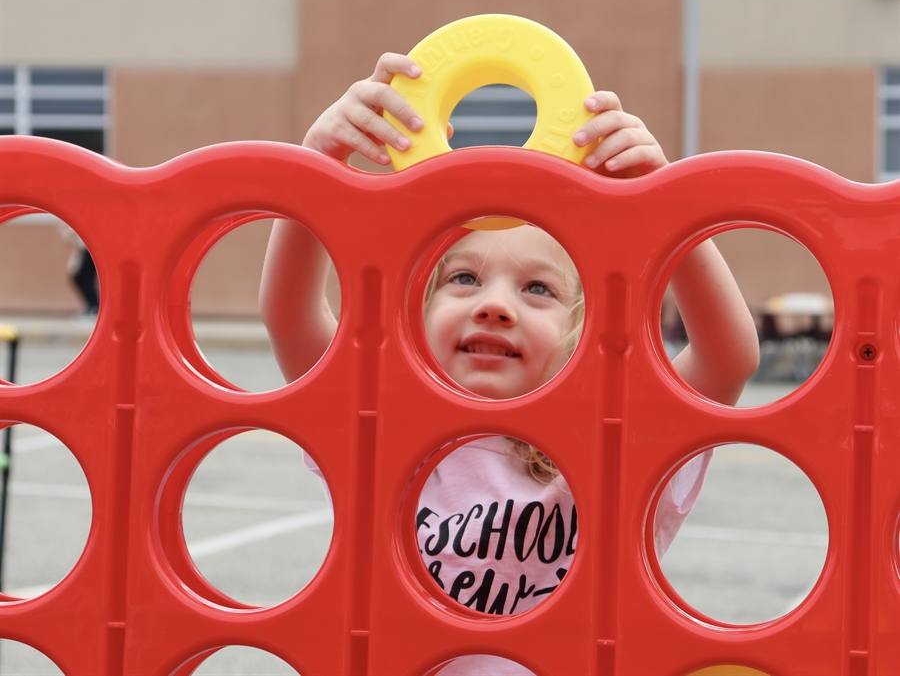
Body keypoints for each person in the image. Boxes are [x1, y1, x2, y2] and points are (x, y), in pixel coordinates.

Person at [260, 53, 759, 672]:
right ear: (419, 308)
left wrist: (666, 203)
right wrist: (317, 163)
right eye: (465, 278)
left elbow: (727, 359)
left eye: (538, 290)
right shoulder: (379, 430)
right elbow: (289, 315)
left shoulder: (613, 447)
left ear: (580, 329)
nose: (495, 306)